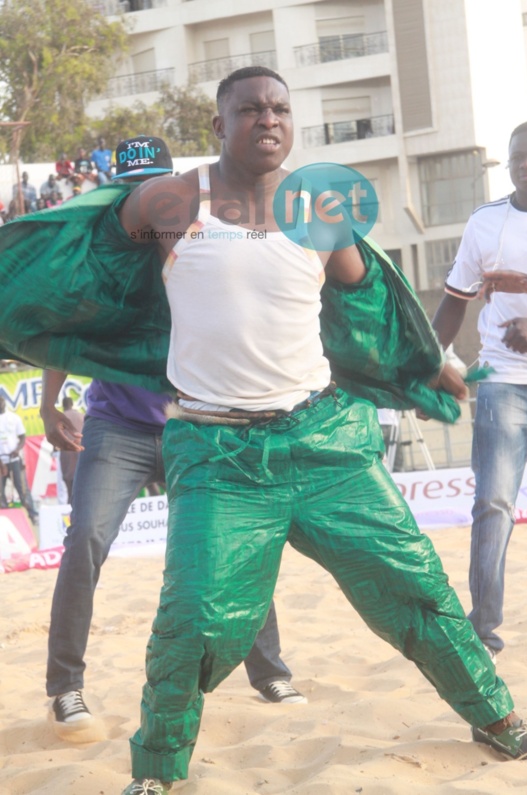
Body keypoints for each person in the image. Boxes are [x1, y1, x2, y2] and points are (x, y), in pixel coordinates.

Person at [110, 69, 527, 793]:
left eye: (279, 108)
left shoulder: (319, 208)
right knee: (193, 620)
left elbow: (370, 306)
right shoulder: (171, 201)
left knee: (417, 584)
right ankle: (156, 768)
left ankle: (495, 716)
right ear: (219, 125)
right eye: (249, 109)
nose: (267, 119)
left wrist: (425, 365)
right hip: (218, 455)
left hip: (328, 442)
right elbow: (87, 262)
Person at [41, 134, 306, 746]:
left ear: (172, 185)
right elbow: (69, 327)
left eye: (154, 182)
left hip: (198, 420)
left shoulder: (208, 237)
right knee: (86, 538)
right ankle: (64, 687)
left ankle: (270, 672)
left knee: (233, 542)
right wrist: (52, 402)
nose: (146, 194)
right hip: (117, 426)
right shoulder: (106, 254)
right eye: (133, 185)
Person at [431, 120, 527, 666]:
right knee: (492, 504)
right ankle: (484, 629)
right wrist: (426, 359)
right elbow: (454, 301)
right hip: (501, 384)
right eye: (518, 156)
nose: (526, 163)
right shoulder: (486, 223)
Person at [0, 395, 38, 523]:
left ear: (4, 402)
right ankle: (5, 521)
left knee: (22, 488)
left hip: (14, 459)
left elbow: (22, 437)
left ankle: (32, 515)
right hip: (0, 461)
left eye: (2, 401)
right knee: (0, 494)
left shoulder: (14, 418)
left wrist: (17, 449)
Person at [58, 396, 84, 504]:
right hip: (81, 449)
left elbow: (56, 435)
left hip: (67, 451)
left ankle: (71, 505)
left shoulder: (60, 417)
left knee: (69, 481)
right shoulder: (81, 416)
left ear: (63, 405)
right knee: (82, 479)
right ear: (72, 404)